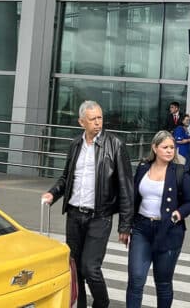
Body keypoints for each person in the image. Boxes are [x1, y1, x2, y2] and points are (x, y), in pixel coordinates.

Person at [42, 100, 134, 308]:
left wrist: (125, 225)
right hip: (74, 215)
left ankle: (102, 303)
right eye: (92, 119)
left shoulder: (115, 145)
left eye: (100, 118)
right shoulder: (75, 145)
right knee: (75, 267)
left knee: (90, 267)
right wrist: (52, 194)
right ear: (81, 122)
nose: (98, 123)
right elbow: (66, 178)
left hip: (99, 217)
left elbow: (126, 186)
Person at [126, 130, 190, 308]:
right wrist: (125, 227)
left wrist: (178, 214)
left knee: (163, 282)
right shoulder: (143, 168)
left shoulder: (180, 172)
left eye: (172, 147)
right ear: (155, 148)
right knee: (136, 279)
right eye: (165, 147)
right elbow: (133, 199)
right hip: (142, 228)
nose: (169, 150)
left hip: (169, 231)